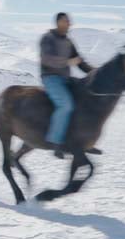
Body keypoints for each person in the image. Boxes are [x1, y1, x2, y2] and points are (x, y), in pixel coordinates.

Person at [39, 12, 93, 158]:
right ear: (58, 23)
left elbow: (79, 62)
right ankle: (56, 143)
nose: (69, 24)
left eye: (69, 22)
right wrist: (67, 62)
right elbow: (47, 60)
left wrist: (95, 72)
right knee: (66, 105)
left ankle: (81, 141)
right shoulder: (47, 38)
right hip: (51, 78)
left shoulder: (68, 42)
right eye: (66, 21)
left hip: (66, 78)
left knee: (85, 100)